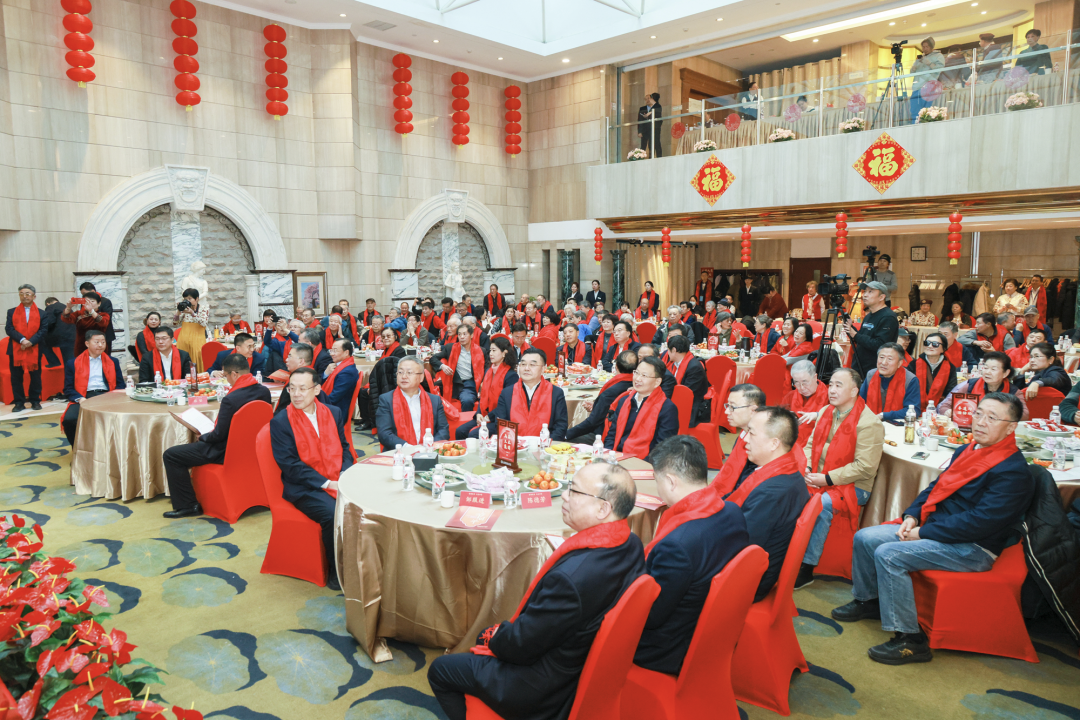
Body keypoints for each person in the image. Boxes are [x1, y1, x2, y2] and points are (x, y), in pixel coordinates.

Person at [427, 461, 643, 720]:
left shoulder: (571, 579)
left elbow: (520, 646)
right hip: (581, 664)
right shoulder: (631, 543)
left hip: (544, 687)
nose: (564, 496)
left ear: (602, 508)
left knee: (441, 669)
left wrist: (491, 636)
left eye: (573, 491)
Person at [831, 393, 1033, 664]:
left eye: (992, 418)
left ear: (1011, 428)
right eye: (979, 413)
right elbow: (935, 488)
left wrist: (922, 533)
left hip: (973, 547)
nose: (981, 422)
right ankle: (869, 601)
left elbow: (980, 522)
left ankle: (911, 640)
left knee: (889, 554)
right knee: (865, 537)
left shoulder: (1013, 471)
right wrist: (913, 516)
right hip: (939, 529)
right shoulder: (968, 450)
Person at [633, 436, 750, 674]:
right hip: (713, 627)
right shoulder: (732, 511)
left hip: (667, 647)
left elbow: (651, 616)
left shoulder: (677, 545)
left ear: (671, 481)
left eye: (657, 481)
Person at [796, 368, 883, 588]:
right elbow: (809, 445)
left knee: (820, 505)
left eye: (838, 386)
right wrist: (807, 467)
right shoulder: (826, 411)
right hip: (819, 474)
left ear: (854, 391)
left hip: (854, 486)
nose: (832, 390)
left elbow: (865, 468)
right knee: (786, 489)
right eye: (831, 385)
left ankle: (806, 567)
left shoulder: (869, 423)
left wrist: (827, 479)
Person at [270, 367, 353, 591]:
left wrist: (343, 475)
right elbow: (290, 465)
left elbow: (345, 448)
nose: (296, 394)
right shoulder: (281, 421)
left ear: (316, 390)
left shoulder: (333, 412)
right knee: (333, 513)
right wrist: (328, 483)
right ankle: (337, 572)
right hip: (304, 487)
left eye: (303, 389)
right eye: (292, 389)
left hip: (336, 476)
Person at [162, 353, 272, 518]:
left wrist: (203, 436)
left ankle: (188, 505)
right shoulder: (264, 391)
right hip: (253, 447)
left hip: (225, 451)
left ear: (234, 374)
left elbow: (219, 435)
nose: (227, 380)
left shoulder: (231, 399)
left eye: (226, 376)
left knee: (171, 455)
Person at [723, 407, 811, 601]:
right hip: (758, 563)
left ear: (774, 443)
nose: (745, 439)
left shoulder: (772, 492)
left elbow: (740, 545)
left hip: (749, 580)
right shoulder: (785, 470)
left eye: (752, 433)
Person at [602, 356, 678, 461]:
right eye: (636, 373)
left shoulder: (667, 409)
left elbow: (663, 449)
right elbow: (612, 435)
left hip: (645, 463)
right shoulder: (624, 401)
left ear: (657, 382)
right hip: (616, 458)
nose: (637, 379)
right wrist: (608, 456)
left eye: (644, 375)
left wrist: (639, 465)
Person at [61, 330, 126, 445]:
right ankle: (78, 450)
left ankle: (114, 448)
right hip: (84, 396)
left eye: (103, 342)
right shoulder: (73, 363)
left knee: (120, 417)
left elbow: (120, 384)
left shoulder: (113, 361)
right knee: (69, 420)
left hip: (107, 395)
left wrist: (111, 396)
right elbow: (68, 388)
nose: (100, 345)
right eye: (96, 342)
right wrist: (80, 399)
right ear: (87, 344)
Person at [487, 348, 568, 439]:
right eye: (523, 364)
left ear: (543, 369)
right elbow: (501, 425)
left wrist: (546, 444)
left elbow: (560, 426)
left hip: (546, 445)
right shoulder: (507, 393)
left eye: (532, 365)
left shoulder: (555, 393)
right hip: (515, 444)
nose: (526, 368)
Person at [376, 356, 450, 449]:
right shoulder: (386, 400)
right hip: (399, 453)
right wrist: (409, 448)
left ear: (421, 377)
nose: (404, 376)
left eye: (409, 373)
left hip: (430, 451)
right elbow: (384, 434)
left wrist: (430, 447)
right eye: (400, 372)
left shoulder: (434, 400)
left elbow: (443, 430)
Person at [708, 384, 766, 496]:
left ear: (753, 410)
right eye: (727, 406)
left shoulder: (760, 446)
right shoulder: (744, 435)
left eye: (732, 407)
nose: (726, 412)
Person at [456, 337, 519, 440]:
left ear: (504, 353)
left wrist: (488, 417)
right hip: (485, 415)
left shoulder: (511, 376)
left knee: (474, 434)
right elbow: (483, 396)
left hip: (500, 419)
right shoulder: (488, 371)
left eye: (494, 350)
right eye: (490, 350)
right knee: (460, 431)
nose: (491, 353)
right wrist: (478, 413)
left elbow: (507, 404)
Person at [566, 351, 636, 442]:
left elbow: (592, 422)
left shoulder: (610, 392)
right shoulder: (636, 385)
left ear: (616, 366)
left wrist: (566, 434)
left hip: (606, 434)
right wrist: (597, 406)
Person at [939, 351, 1027, 420]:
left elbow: (1024, 414)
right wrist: (948, 411)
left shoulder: (1013, 392)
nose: (987, 372)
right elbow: (945, 406)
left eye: (993, 369)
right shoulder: (970, 386)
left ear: (1006, 373)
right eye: (985, 368)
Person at [844, 281, 899, 377]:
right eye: (865, 291)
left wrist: (855, 335)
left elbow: (880, 345)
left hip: (874, 371)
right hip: (860, 367)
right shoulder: (868, 316)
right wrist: (851, 328)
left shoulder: (888, 317)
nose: (865, 295)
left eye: (870, 292)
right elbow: (863, 338)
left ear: (881, 297)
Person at [356, 327, 406, 431]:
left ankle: (369, 421)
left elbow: (395, 372)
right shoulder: (386, 350)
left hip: (391, 383)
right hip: (384, 380)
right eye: (383, 337)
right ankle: (365, 418)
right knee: (362, 391)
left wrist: (376, 386)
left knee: (365, 393)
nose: (385, 338)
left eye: (388, 336)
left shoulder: (399, 350)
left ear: (395, 337)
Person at [6, 284, 46, 412]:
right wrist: (22, 340)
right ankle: (19, 403)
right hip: (16, 348)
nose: (24, 296)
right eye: (22, 294)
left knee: (35, 376)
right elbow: (9, 329)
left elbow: (43, 330)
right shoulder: (11, 312)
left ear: (34, 296)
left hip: (35, 348)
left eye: (27, 293)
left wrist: (31, 342)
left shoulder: (42, 313)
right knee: (16, 377)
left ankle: (35, 401)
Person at [431, 324, 487, 412]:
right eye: (460, 334)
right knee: (430, 388)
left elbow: (487, 369)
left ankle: (467, 420)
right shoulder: (450, 348)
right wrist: (443, 366)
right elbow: (433, 358)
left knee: (467, 400)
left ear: (471, 335)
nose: (462, 337)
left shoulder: (481, 351)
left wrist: (483, 383)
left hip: (470, 383)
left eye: (464, 334)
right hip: (453, 381)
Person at [784, 360, 829, 449]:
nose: (801, 387)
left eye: (805, 382)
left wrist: (818, 415)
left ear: (815, 377)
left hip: (817, 446)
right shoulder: (790, 396)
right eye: (796, 382)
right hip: (791, 444)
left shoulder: (830, 396)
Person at [664, 335, 707, 425]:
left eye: (668, 350)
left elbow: (686, 395)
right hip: (681, 401)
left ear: (674, 350)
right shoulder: (677, 363)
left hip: (692, 408)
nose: (667, 353)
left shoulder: (694, 368)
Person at [908, 332, 957, 411]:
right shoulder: (914, 364)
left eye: (935, 344)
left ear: (944, 348)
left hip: (939, 409)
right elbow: (907, 388)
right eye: (927, 343)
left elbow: (950, 392)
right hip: (914, 408)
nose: (930, 346)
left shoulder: (950, 367)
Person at [320, 339, 360, 422]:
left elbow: (334, 398)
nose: (331, 354)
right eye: (331, 350)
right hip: (333, 405)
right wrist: (326, 374)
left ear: (346, 353)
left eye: (335, 351)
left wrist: (315, 403)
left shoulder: (347, 372)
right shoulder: (338, 366)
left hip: (337, 411)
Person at [61, 292, 110, 356]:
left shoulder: (104, 315)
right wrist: (68, 308)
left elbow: (103, 323)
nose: (89, 303)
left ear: (99, 304)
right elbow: (65, 319)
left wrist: (91, 311)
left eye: (92, 301)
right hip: (81, 346)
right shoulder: (78, 314)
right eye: (86, 301)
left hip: (98, 346)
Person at [910, 37, 945, 123]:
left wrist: (930, 63)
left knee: (927, 111)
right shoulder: (920, 58)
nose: (925, 49)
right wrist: (913, 68)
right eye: (923, 47)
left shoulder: (938, 56)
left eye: (927, 47)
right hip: (917, 87)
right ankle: (915, 126)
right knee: (915, 111)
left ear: (931, 47)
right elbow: (912, 72)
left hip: (929, 86)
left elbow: (940, 69)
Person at [77, 281, 115, 354]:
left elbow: (107, 319)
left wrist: (92, 312)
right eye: (82, 295)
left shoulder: (105, 301)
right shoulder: (84, 303)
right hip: (89, 334)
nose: (84, 296)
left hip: (103, 334)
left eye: (85, 294)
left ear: (93, 291)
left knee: (104, 357)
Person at [41, 297, 74, 371]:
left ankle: (54, 362)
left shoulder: (51, 307)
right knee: (69, 360)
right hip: (72, 335)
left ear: (47, 303)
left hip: (60, 336)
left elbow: (49, 322)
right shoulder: (66, 307)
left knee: (42, 342)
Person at [638, 92, 663, 157]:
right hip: (645, 129)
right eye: (646, 99)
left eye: (649, 98)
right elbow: (640, 120)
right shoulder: (642, 109)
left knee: (653, 144)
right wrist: (640, 131)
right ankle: (641, 157)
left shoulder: (657, 107)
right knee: (643, 145)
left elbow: (659, 118)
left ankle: (653, 157)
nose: (648, 100)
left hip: (653, 128)